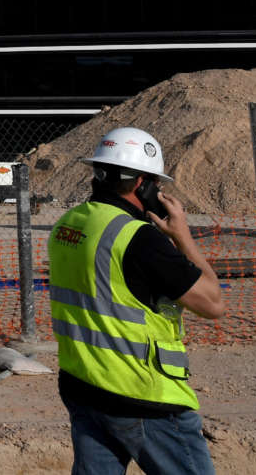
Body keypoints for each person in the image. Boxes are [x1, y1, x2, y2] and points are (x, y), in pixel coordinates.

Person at [48, 126, 224, 474]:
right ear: (142, 183)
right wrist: (182, 236)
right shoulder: (138, 238)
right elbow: (213, 303)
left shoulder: (68, 225)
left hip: (84, 386)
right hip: (143, 396)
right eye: (156, 183)